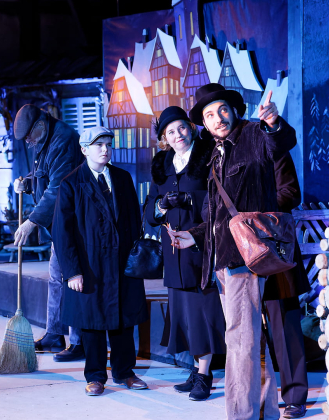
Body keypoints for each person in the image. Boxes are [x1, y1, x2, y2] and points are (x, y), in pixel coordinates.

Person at [168, 83, 298, 420]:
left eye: (222, 109)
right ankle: (264, 411)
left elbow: (280, 142)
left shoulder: (254, 135)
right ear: (204, 123)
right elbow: (215, 213)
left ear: (234, 110)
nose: (217, 118)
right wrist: (194, 236)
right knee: (249, 339)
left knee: (239, 340)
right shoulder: (216, 153)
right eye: (209, 115)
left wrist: (273, 123)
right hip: (222, 259)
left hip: (245, 257)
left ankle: (242, 415)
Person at [52, 126, 149, 396]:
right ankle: (95, 376)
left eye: (108, 144)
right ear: (84, 150)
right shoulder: (71, 183)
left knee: (123, 319)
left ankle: (124, 372)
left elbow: (133, 220)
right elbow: (62, 232)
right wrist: (72, 272)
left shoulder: (122, 178)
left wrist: (135, 259)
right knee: (92, 322)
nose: (105, 150)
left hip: (121, 262)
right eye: (98, 145)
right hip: (90, 265)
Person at [145, 106, 226, 401]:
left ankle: (205, 374)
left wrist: (190, 198)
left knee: (202, 313)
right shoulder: (161, 164)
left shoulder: (207, 157)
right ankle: (195, 369)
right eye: (170, 131)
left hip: (201, 247)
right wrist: (162, 205)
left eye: (181, 127)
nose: (177, 134)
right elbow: (150, 211)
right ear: (164, 138)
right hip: (173, 253)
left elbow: (218, 200)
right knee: (185, 316)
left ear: (191, 128)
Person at [13, 104, 85, 361]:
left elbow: (58, 187)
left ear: (40, 124)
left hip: (74, 221)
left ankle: (79, 342)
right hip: (59, 223)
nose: (28, 142)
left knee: (72, 278)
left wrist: (31, 221)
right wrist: (27, 182)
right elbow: (44, 174)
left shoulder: (63, 140)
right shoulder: (43, 138)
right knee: (57, 277)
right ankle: (54, 333)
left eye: (29, 136)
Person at [263, 152, 310, 419]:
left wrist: (255, 208)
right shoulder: (223, 152)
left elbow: (290, 193)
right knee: (245, 332)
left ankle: (294, 396)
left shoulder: (272, 149)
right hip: (236, 251)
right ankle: (258, 394)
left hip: (274, 248)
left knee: (285, 325)